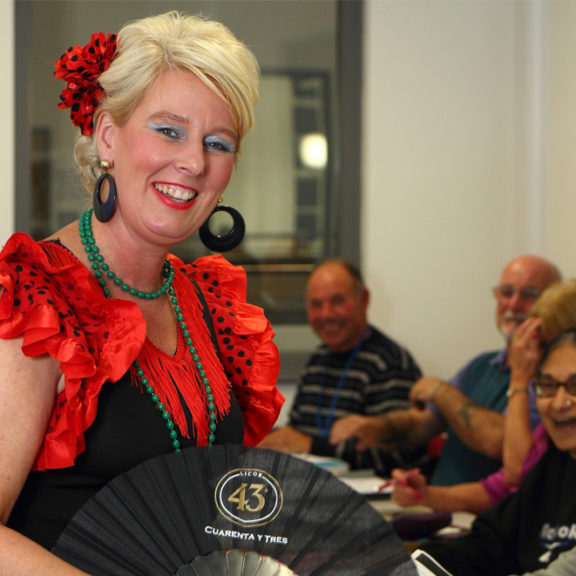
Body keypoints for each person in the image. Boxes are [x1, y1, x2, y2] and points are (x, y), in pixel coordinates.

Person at [0, 11, 284, 572]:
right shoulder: (35, 299)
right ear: (108, 135)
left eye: (218, 142)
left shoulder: (210, 305)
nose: (194, 162)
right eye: (169, 130)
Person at [330, 255, 562, 485]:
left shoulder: (551, 381)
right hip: (436, 507)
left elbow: (499, 442)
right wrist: (376, 427)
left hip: (482, 515)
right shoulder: (481, 365)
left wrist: (441, 392)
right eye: (507, 292)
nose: (513, 304)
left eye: (529, 294)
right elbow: (423, 423)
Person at [391, 279, 576, 514]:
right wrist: (424, 495)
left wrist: (519, 378)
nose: (559, 401)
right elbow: (499, 488)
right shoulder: (482, 365)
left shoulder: (542, 395)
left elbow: (517, 471)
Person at [417, 327, 576, 575]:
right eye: (548, 386)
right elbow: (491, 541)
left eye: (575, 386)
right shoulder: (554, 463)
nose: (559, 402)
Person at [259, 258, 425, 475]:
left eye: (337, 301)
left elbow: (395, 458)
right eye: (316, 304)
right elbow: (296, 433)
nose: (326, 314)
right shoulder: (318, 360)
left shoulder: (389, 364)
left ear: (363, 300)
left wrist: (310, 445)